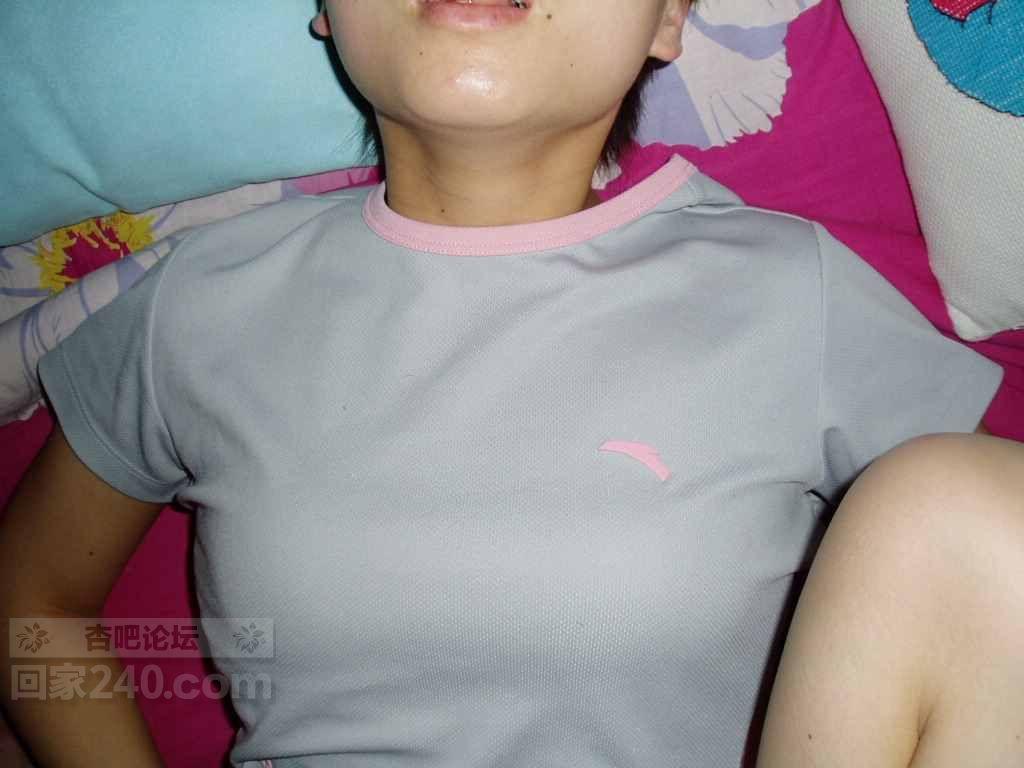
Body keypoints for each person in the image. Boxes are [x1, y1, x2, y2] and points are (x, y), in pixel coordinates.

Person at [0, 1, 1018, 766]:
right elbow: (29, 594)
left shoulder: (795, 292)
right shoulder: (202, 297)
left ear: (668, 21)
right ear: (325, 11)